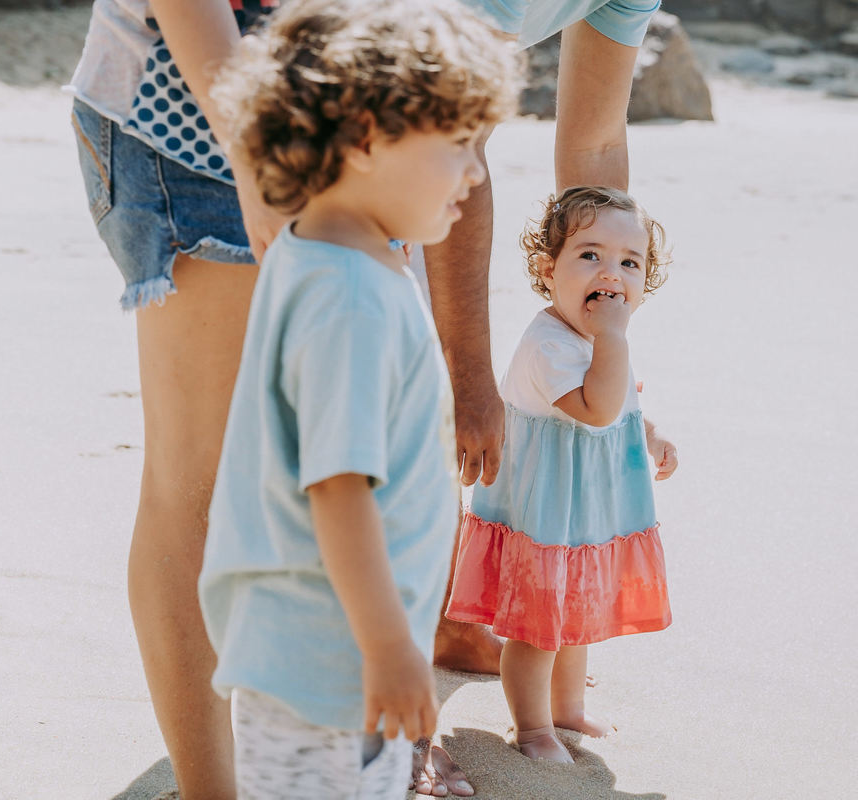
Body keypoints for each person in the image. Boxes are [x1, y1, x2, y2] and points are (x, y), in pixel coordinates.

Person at [192, 0, 519, 795]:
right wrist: (390, 651)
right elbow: (337, 489)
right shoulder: (352, 300)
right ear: (370, 138)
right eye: (459, 145)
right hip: (330, 665)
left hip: (316, 651)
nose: (476, 174)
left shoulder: (322, 252)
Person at [445, 186, 678, 762]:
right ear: (549, 271)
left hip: (589, 511)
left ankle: (567, 710)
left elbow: (621, 404)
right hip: (544, 512)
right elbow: (596, 408)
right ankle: (531, 728)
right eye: (590, 255)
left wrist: (650, 434)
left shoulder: (602, 339)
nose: (612, 272)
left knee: (578, 616)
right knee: (536, 627)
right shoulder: (551, 343)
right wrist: (614, 337)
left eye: (630, 262)